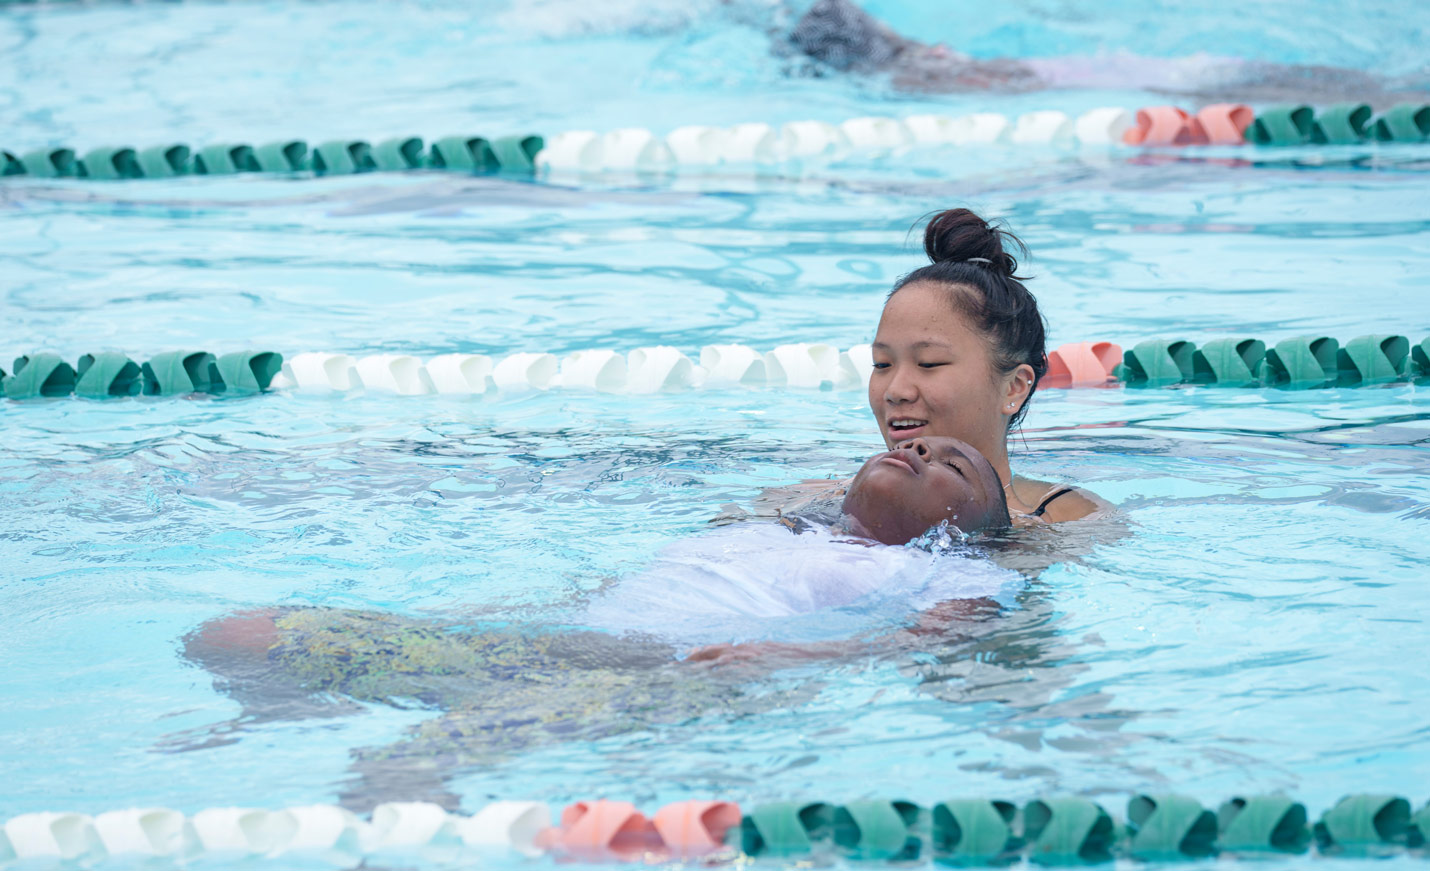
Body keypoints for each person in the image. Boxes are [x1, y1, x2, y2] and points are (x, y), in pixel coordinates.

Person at [175, 437, 1020, 807]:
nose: (917, 451)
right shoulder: (776, 525)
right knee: (241, 631)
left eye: (951, 465)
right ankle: (290, 710)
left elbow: (931, 640)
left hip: (669, 674)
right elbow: (621, 585)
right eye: (918, 445)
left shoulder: (948, 566)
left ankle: (408, 803)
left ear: (969, 522)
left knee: (406, 763)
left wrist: (783, 663)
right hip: (559, 641)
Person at [776, 208, 1108, 523]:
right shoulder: (807, 503)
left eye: (929, 363)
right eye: (882, 364)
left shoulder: (1069, 519)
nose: (895, 391)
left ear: (1014, 386)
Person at [785, 0, 1423, 103]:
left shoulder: (914, 77)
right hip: (1109, 69)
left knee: (1266, 87)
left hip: (1110, 82)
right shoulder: (927, 57)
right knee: (1278, 81)